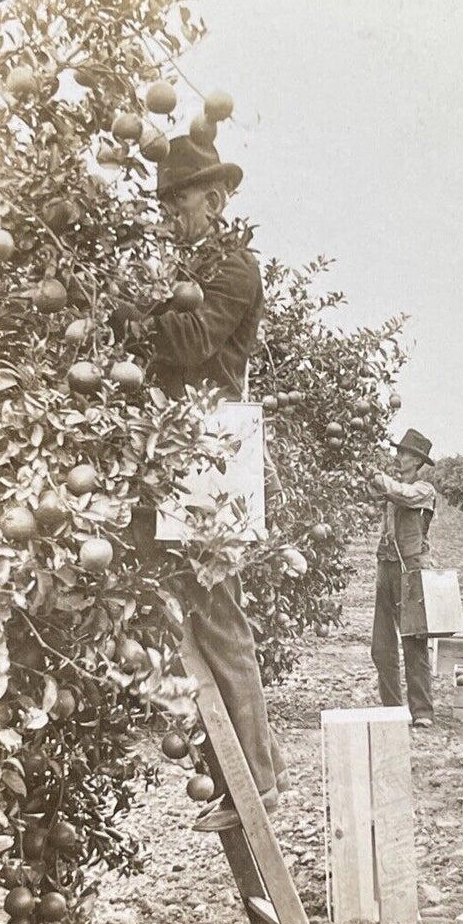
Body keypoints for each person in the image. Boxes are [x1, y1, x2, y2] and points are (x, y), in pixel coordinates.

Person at [145, 134, 288, 832]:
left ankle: (257, 780)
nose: (172, 216)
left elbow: (192, 340)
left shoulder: (236, 267)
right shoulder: (182, 268)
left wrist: (128, 311)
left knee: (218, 611)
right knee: (187, 606)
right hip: (179, 442)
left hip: (212, 443)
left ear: (216, 201)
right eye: (166, 205)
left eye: (182, 203)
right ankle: (249, 768)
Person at [369, 429, 438, 728]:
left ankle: (421, 711)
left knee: (413, 641)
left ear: (417, 461)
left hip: (411, 570)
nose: (398, 458)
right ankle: (392, 709)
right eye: (398, 452)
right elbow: (383, 492)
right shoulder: (393, 489)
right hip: (386, 567)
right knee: (381, 645)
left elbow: (402, 495)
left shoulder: (423, 490)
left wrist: (374, 475)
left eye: (403, 454)